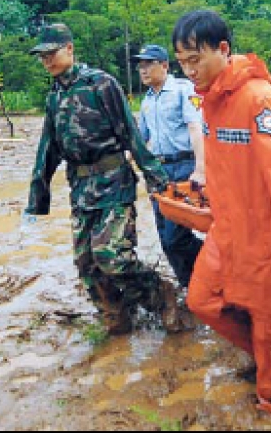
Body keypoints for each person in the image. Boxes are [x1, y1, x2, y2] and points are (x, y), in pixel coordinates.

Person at [173, 9, 271, 418]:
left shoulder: (259, 101)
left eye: (195, 60)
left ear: (223, 50)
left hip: (270, 238)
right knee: (202, 301)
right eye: (182, 62)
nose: (188, 71)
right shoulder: (209, 99)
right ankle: (261, 356)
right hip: (229, 232)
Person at [23, 23, 183, 336]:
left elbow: (130, 134)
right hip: (81, 188)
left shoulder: (101, 84)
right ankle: (117, 318)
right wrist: (35, 201)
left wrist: (158, 180)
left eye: (51, 53)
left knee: (112, 257)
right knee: (87, 264)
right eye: (41, 57)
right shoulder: (55, 96)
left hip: (113, 183)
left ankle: (160, 296)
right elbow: (48, 149)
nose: (46, 61)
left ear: (69, 49)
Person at [134, 43, 205, 290]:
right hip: (158, 171)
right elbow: (141, 138)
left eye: (148, 64)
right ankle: (190, 285)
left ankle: (213, 264)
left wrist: (201, 168)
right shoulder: (146, 100)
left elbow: (195, 128)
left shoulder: (183, 91)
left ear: (164, 65)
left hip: (183, 166)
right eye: (140, 65)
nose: (142, 70)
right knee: (165, 236)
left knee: (176, 237)